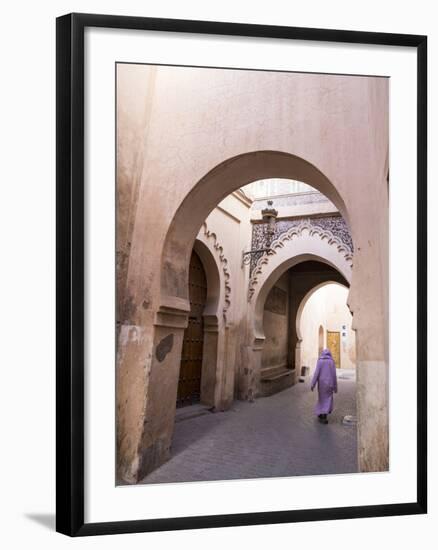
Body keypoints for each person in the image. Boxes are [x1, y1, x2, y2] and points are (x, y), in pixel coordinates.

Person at [310, 348, 338, 424]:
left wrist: (313, 384)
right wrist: (335, 387)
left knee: (322, 399)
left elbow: (316, 373)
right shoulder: (331, 362)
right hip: (330, 384)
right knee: (328, 399)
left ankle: (322, 414)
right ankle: (323, 414)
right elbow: (334, 375)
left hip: (322, 385)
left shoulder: (320, 361)